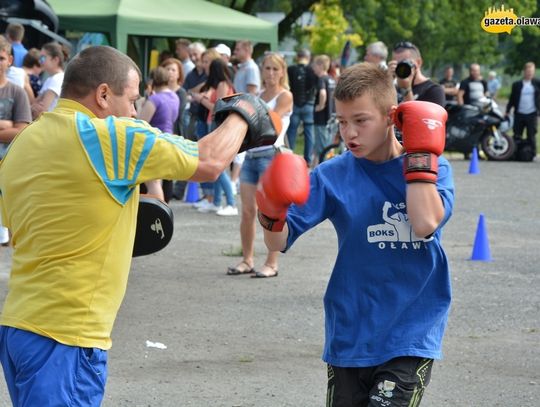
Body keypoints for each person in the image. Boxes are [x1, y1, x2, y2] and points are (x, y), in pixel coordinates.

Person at [0, 45, 281, 406]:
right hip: (67, 336)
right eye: (131, 100)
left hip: (19, 326)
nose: (135, 111)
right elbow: (211, 161)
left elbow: (28, 223)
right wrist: (243, 113)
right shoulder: (109, 136)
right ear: (103, 94)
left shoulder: (23, 144)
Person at [257, 63, 455, 405]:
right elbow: (278, 242)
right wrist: (271, 211)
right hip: (350, 329)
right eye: (342, 122)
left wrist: (419, 156)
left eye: (361, 120)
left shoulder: (433, 165)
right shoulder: (332, 174)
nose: (350, 133)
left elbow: (424, 222)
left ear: (392, 117)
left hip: (411, 328)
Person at [227, 52, 292, 278]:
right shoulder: (258, 95)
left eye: (275, 69)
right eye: (267, 69)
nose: (271, 73)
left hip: (271, 155)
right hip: (251, 155)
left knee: (270, 211)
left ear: (282, 72)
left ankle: (272, 262)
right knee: (247, 212)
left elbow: (270, 121)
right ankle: (247, 259)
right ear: (261, 71)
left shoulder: (285, 96)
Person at [191, 58, 237, 215]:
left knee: (218, 166)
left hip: (218, 124)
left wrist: (202, 99)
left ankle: (231, 203)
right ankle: (217, 202)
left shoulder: (222, 85)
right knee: (216, 166)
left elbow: (218, 108)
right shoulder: (221, 84)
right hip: (215, 124)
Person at [0, 36, 32, 246]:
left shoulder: (17, 92)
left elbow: (22, 130)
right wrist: (5, 124)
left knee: (4, 232)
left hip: (5, 167)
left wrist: (12, 126)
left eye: (1, 58)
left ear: (10, 60)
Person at [137, 66, 180, 202]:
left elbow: (140, 122)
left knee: (154, 182)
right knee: (164, 181)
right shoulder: (174, 96)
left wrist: (139, 104)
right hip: (169, 139)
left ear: (152, 81)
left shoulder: (155, 100)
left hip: (154, 143)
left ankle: (157, 212)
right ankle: (163, 211)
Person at [286, 48, 318, 164]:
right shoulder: (312, 71)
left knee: (292, 131)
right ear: (308, 58)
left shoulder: (290, 69)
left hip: (294, 103)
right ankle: (308, 160)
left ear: (297, 57)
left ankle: (288, 157)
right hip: (309, 105)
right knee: (309, 133)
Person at [389, 41, 445, 107]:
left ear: (418, 62)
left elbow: (415, 116)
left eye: (404, 62)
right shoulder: (393, 88)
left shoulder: (434, 90)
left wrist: (406, 90)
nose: (401, 67)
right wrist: (387, 82)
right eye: (396, 64)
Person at [506, 61, 540, 158]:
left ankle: (532, 153)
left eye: (531, 71)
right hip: (519, 113)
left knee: (531, 135)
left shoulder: (537, 83)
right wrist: (507, 110)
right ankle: (515, 152)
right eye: (528, 71)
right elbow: (512, 99)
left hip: (532, 113)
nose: (529, 73)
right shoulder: (517, 84)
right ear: (524, 72)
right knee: (517, 134)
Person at [311, 54, 336, 167]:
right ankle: (315, 168)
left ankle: (325, 168)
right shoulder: (331, 79)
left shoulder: (321, 79)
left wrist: (320, 106)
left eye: (315, 65)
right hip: (331, 117)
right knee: (326, 145)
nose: (313, 68)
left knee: (323, 148)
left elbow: (322, 93)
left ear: (321, 65)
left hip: (321, 118)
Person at [31, 42, 66, 118]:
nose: (40, 61)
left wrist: (34, 107)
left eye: (43, 58)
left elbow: (42, 112)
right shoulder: (51, 79)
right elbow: (34, 104)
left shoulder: (56, 79)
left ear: (55, 60)